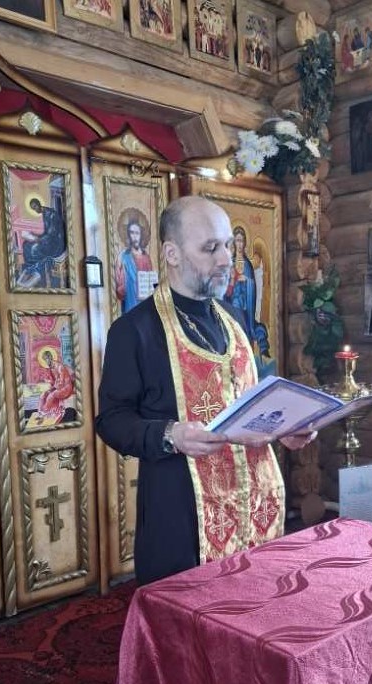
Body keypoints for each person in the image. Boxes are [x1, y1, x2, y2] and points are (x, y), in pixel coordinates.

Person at [95, 196, 314, 587]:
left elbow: (251, 398)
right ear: (172, 254)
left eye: (227, 245)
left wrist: (285, 428)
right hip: (181, 515)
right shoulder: (135, 331)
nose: (226, 259)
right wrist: (170, 434)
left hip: (254, 504)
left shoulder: (234, 318)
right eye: (210, 248)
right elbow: (112, 420)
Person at [224, 225, 270, 360]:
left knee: (247, 331)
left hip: (245, 307)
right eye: (237, 241)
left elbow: (252, 286)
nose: (239, 244)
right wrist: (233, 281)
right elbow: (226, 289)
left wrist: (247, 280)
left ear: (245, 243)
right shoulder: (230, 264)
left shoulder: (248, 265)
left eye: (241, 241)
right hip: (233, 305)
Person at [19, 198, 66, 287]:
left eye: (35, 207)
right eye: (33, 209)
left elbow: (52, 234)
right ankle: (30, 270)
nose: (35, 210)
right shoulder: (45, 213)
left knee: (34, 249)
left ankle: (36, 272)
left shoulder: (51, 214)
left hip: (56, 244)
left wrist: (38, 239)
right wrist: (35, 235)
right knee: (26, 245)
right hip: (49, 240)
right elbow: (47, 232)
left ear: (39, 204)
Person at [114, 217, 156, 313]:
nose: (135, 236)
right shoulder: (124, 256)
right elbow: (120, 287)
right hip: (130, 303)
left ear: (141, 235)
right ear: (128, 235)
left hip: (144, 304)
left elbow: (151, 283)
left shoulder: (146, 258)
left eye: (137, 233)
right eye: (132, 233)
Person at [35, 349, 75, 423]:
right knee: (43, 395)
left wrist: (53, 387)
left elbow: (61, 383)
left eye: (46, 359)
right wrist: (48, 382)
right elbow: (55, 381)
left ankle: (44, 414)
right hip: (59, 387)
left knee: (51, 395)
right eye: (44, 360)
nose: (46, 362)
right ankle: (40, 413)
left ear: (50, 357)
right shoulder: (51, 368)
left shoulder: (59, 367)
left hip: (66, 388)